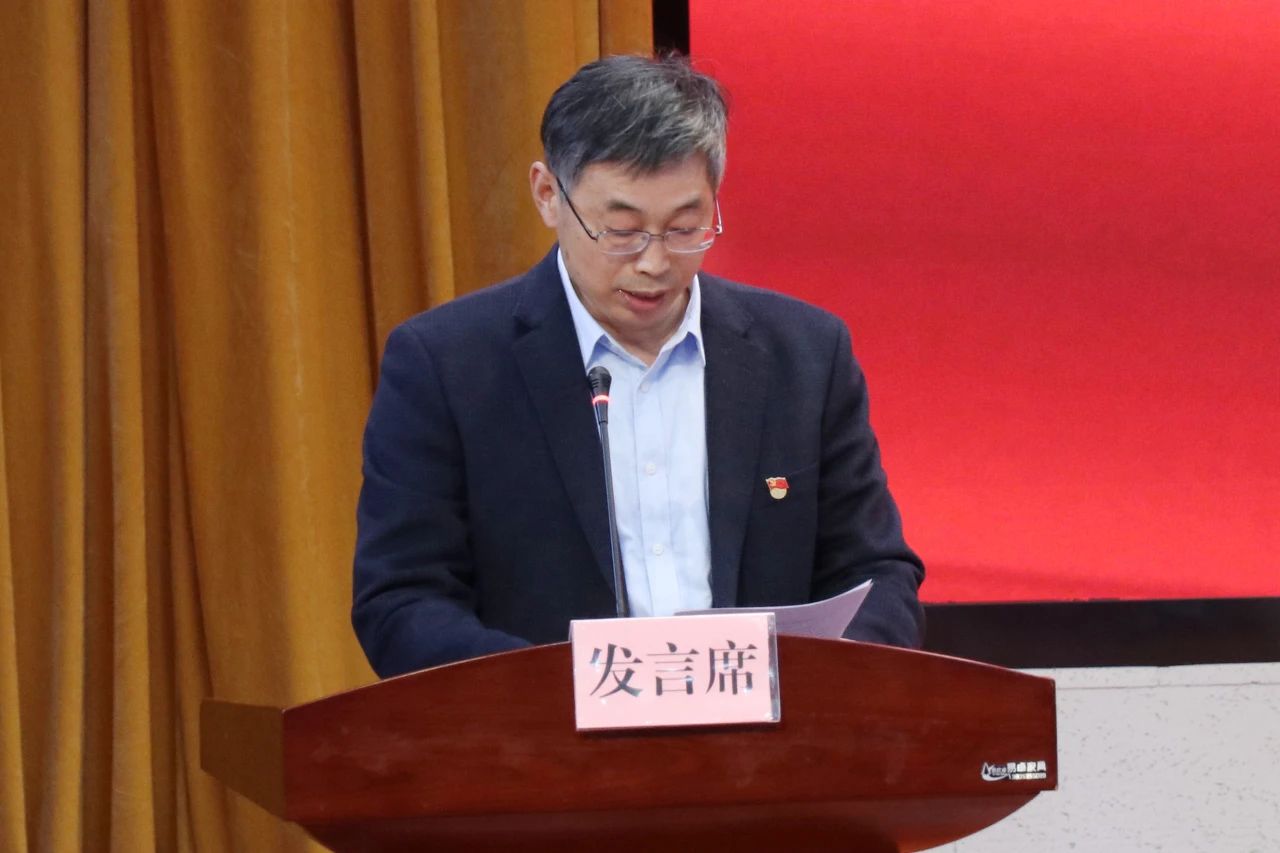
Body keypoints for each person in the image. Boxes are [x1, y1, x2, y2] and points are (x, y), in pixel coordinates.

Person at [352, 55, 924, 678]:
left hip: (769, 731)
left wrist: (824, 690)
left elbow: (877, 574)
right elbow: (402, 601)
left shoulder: (806, 354)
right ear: (548, 195)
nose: (654, 262)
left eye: (685, 227)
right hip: (545, 733)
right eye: (622, 231)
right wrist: (558, 698)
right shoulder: (445, 366)